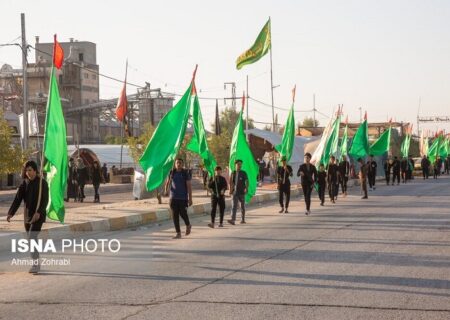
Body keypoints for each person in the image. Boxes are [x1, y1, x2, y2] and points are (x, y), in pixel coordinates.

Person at [7, 160, 49, 274]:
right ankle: (36, 261)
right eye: (26, 170)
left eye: (30, 170)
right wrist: (11, 212)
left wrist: (39, 212)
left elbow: (45, 200)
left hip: (38, 215)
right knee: (30, 240)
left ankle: (35, 264)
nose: (28, 173)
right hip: (28, 216)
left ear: (35, 170)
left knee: (31, 236)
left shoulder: (42, 183)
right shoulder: (24, 184)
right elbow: (17, 199)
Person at [165, 158, 193, 239]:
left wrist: (190, 198)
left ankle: (188, 225)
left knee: (183, 213)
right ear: (175, 164)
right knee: (175, 215)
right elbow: (168, 182)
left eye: (180, 163)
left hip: (183, 198)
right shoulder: (172, 172)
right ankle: (178, 233)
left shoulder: (185, 173)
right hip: (173, 198)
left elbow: (189, 186)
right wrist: (166, 191)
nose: (178, 164)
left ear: (182, 164)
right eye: (177, 163)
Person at [228, 159, 249, 225]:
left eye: (240, 164)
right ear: (235, 165)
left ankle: (243, 219)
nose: (239, 166)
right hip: (235, 192)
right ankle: (233, 220)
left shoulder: (243, 173)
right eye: (238, 164)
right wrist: (230, 190)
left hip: (242, 192)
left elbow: (247, 181)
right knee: (234, 206)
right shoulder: (233, 173)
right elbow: (231, 182)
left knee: (242, 206)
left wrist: (246, 188)